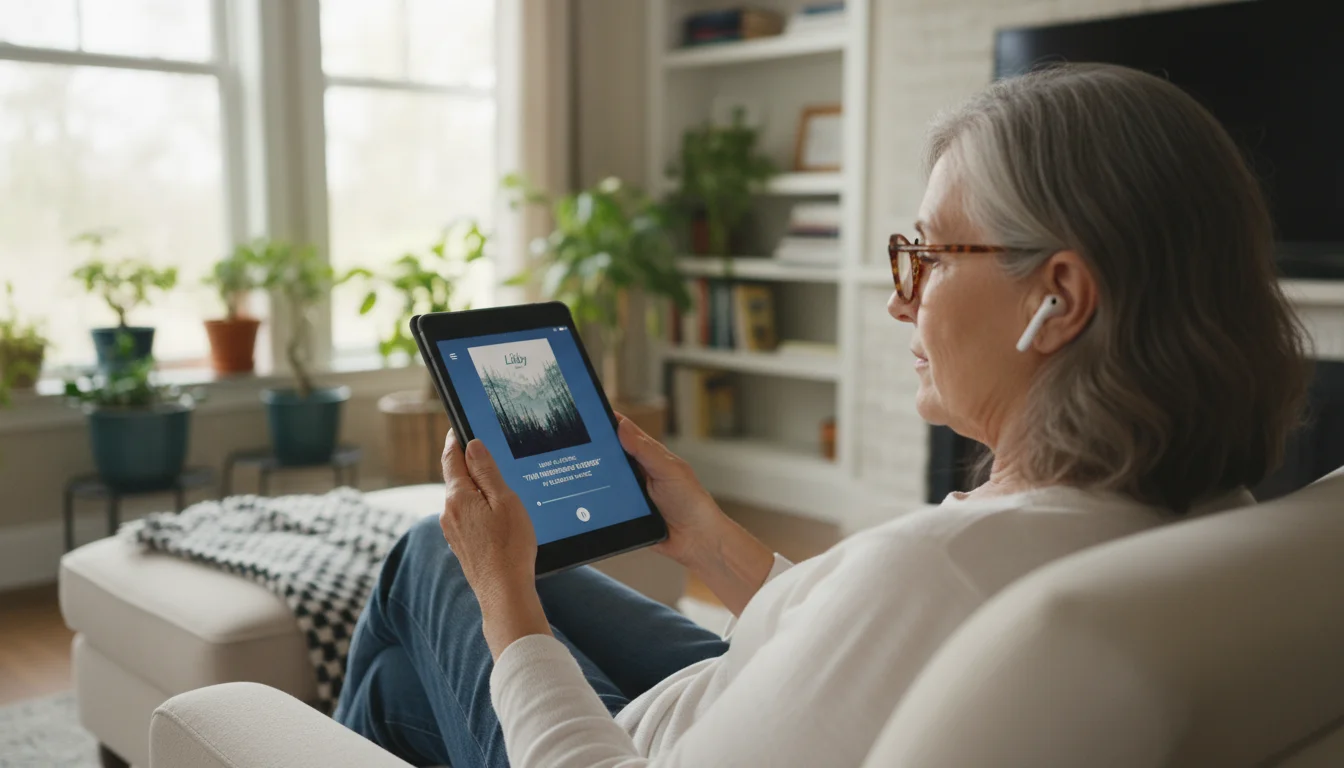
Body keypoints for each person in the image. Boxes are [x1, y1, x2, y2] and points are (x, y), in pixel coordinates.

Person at [333, 63, 1308, 767]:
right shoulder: (1212, 515)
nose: (900, 299)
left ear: (1059, 297)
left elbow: (895, 612)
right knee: (403, 683)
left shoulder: (942, 574)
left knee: (432, 560)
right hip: (742, 701)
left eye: (928, 257)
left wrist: (505, 598)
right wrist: (711, 543)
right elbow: (866, 644)